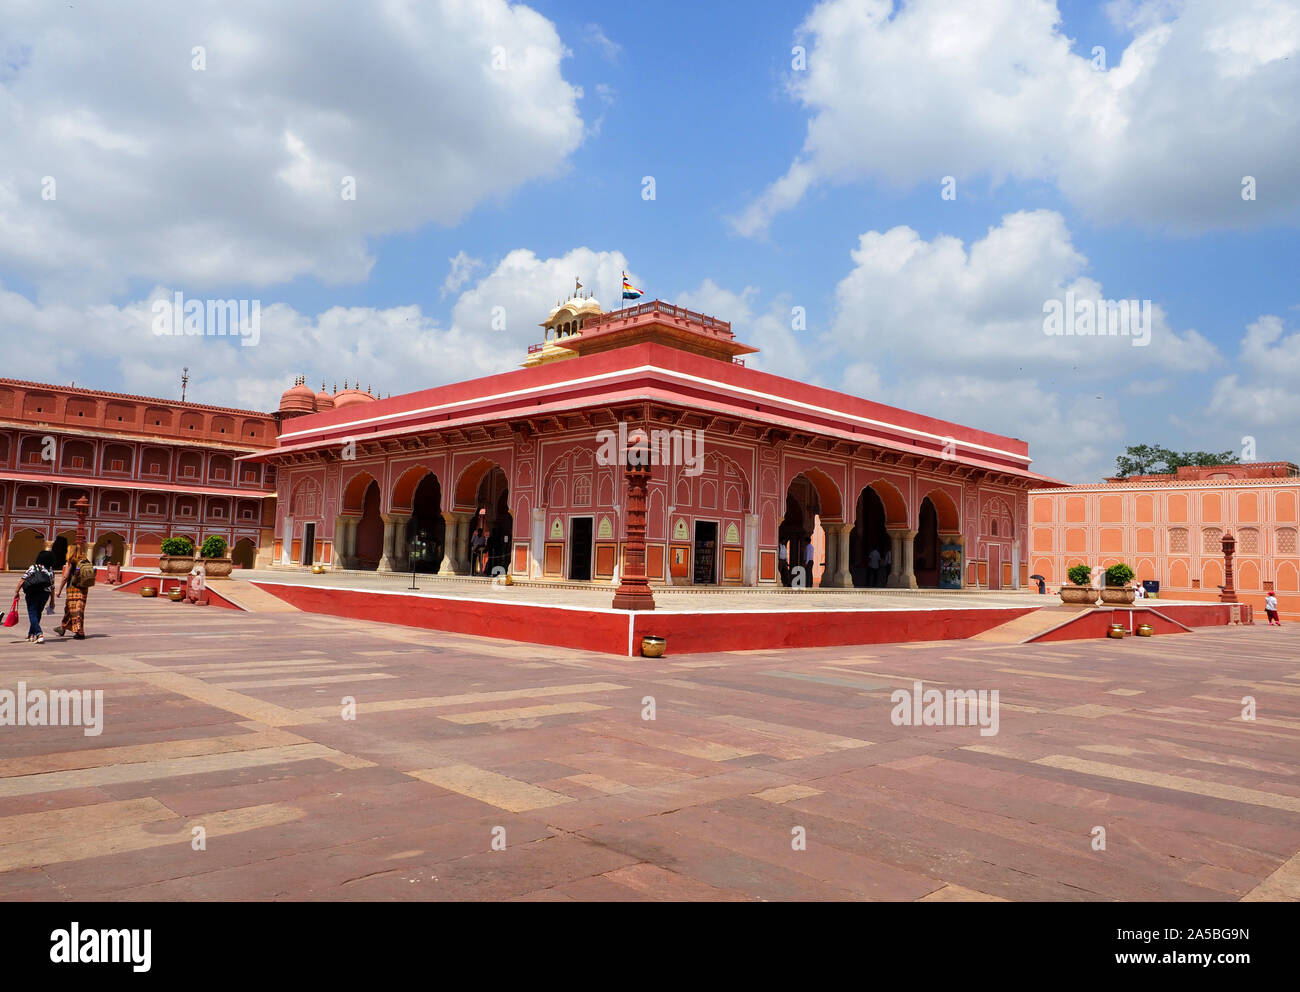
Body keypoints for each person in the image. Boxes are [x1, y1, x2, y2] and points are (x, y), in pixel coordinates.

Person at [53, 541, 93, 639]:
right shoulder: (85, 560)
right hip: (83, 588)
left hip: (73, 588)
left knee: (76, 611)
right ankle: (63, 627)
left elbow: (65, 577)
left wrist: (59, 590)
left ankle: (80, 632)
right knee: (71, 609)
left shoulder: (71, 561)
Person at [15, 550, 55, 643]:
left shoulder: (34, 567)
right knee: (37, 613)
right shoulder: (50, 570)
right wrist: (52, 600)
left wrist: (17, 591)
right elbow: (52, 586)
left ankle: (39, 633)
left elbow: (22, 579)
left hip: (33, 593)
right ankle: (31, 635)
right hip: (45, 594)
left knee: (32, 613)